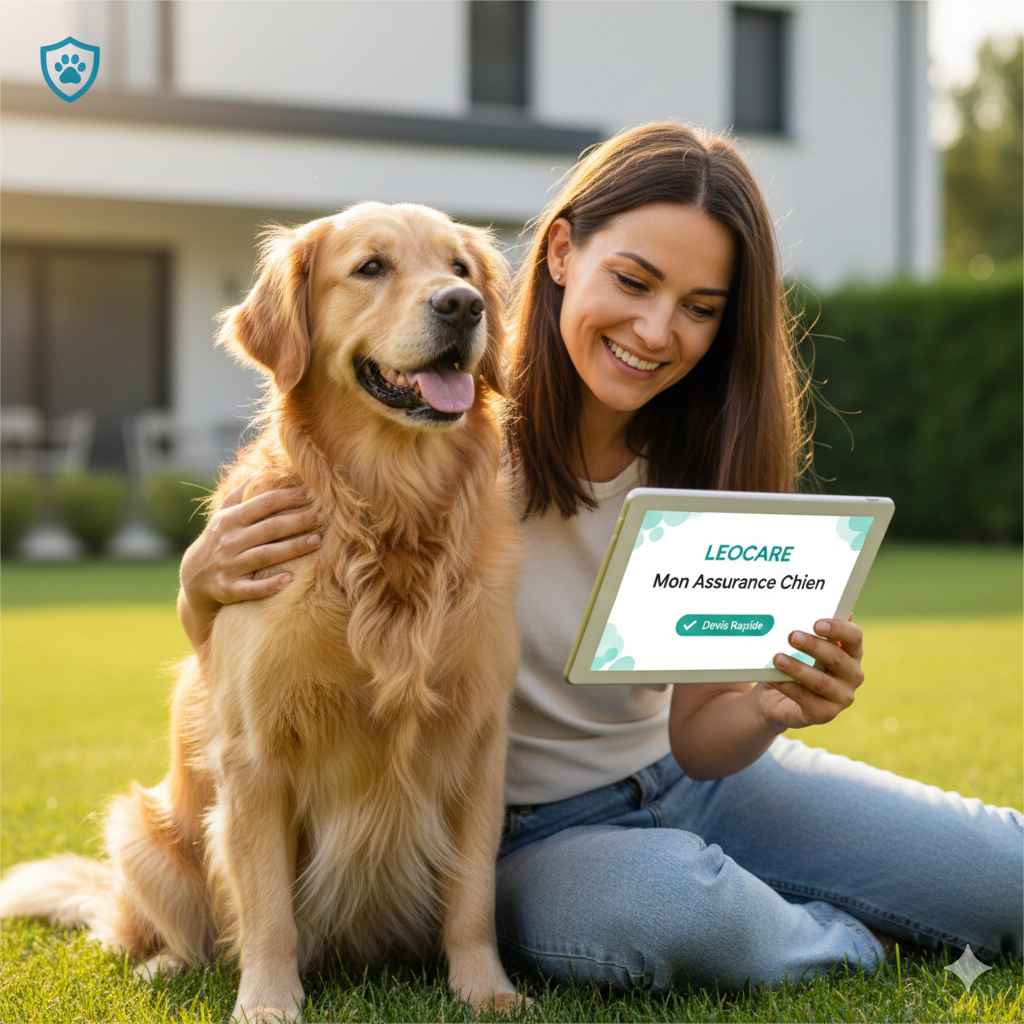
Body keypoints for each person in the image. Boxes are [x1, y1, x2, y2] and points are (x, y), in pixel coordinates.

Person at [178, 123, 1022, 993]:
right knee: (673, 913)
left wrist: (773, 705)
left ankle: (804, 901)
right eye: (633, 281)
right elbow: (251, 677)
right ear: (560, 254)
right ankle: (852, 940)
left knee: (1010, 874)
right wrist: (197, 587)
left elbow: (697, 737)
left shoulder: (705, 449)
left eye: (701, 308)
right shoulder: (437, 432)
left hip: (690, 785)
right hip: (535, 838)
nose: (656, 331)